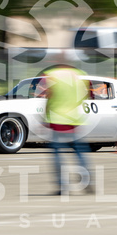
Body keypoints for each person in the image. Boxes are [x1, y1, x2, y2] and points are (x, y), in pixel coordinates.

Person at [45, 66, 94, 195]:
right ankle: (88, 181)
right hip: (75, 120)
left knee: (57, 154)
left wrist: (45, 113)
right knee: (79, 152)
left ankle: (62, 186)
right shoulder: (79, 73)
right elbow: (87, 94)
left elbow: (50, 94)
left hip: (57, 119)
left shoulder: (52, 74)